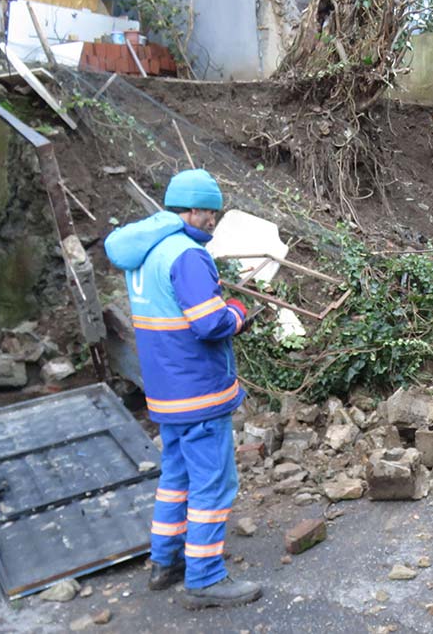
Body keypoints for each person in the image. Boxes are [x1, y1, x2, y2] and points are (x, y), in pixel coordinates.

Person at [104, 169, 262, 610]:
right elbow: (210, 323)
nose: (213, 222)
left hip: (165, 392)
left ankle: (165, 562)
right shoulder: (187, 255)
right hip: (199, 391)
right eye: (210, 214)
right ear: (192, 211)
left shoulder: (145, 252)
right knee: (213, 484)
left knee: (176, 478)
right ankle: (206, 578)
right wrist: (238, 312)